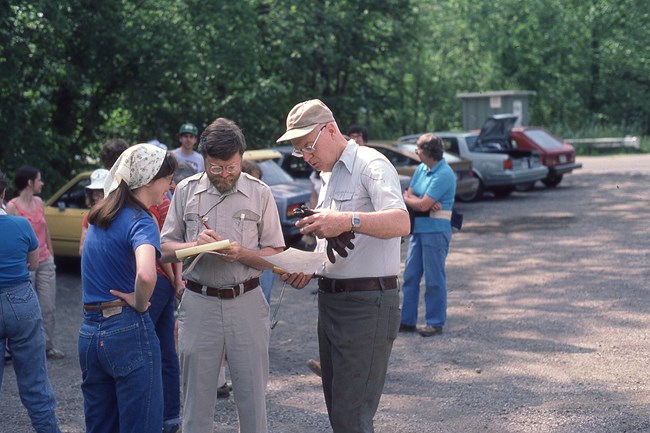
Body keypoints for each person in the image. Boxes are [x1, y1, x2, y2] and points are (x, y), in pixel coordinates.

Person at [277, 99, 410, 433]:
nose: (306, 156)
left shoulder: (371, 164)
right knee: (340, 414)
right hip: (331, 301)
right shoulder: (329, 175)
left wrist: (347, 219)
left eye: (307, 146)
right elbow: (335, 242)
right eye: (299, 151)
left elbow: (400, 221)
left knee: (352, 418)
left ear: (331, 129)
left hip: (367, 304)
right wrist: (309, 265)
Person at [160, 117, 285, 433]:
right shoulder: (186, 192)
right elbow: (164, 250)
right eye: (216, 168)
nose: (225, 175)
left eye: (231, 167)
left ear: (241, 156)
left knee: (253, 401)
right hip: (199, 303)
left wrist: (242, 253)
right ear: (204, 159)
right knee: (196, 406)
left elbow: (276, 254)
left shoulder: (260, 192)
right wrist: (194, 245)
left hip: (247, 301)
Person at [79, 143, 176, 433]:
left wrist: (195, 246)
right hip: (127, 331)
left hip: (89, 333)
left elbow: (144, 250)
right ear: (148, 181)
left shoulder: (101, 214)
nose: (169, 186)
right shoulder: (142, 219)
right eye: (166, 180)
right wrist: (140, 300)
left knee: (100, 425)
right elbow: (147, 273)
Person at [0, 169, 63, 433]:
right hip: (21, 299)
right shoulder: (21, 224)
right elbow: (34, 264)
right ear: (3, 193)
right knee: (35, 383)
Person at [400, 133, 456, 337]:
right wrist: (419, 200)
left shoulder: (444, 174)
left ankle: (435, 322)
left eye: (418, 149)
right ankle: (407, 321)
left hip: (436, 232)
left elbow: (420, 202)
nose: (416, 152)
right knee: (410, 276)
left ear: (428, 152)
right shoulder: (422, 169)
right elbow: (411, 194)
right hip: (419, 230)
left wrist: (419, 201)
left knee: (434, 278)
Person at [7, 166, 64, 360]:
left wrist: (51, 256)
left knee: (48, 306)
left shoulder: (39, 202)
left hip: (45, 260)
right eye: (39, 180)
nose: (42, 183)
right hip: (24, 264)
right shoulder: (12, 207)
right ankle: (17, 348)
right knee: (24, 308)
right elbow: (11, 238)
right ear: (30, 182)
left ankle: (47, 346)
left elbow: (45, 230)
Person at [79, 168, 109, 255]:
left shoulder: (118, 216)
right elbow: (81, 250)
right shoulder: (89, 217)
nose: (97, 196)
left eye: (101, 191)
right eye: (95, 192)